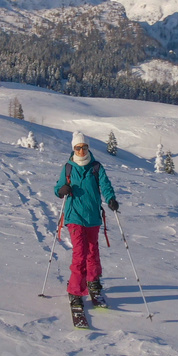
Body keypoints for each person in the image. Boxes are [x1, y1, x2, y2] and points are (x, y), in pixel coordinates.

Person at [54, 131, 119, 308]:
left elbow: (105, 185)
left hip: (93, 217)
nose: (81, 151)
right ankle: (75, 291)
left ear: (88, 148)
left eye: (84, 147)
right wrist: (62, 190)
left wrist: (111, 198)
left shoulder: (96, 167)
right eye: (78, 147)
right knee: (80, 253)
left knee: (92, 252)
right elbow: (58, 188)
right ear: (73, 148)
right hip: (74, 215)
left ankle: (93, 282)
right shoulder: (68, 167)